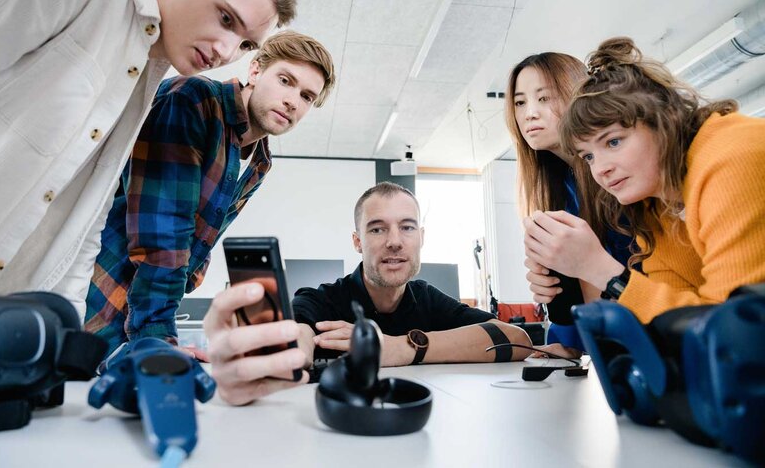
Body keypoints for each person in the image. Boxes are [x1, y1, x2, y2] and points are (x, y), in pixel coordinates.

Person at [0, 0, 296, 318]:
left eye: (244, 45)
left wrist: (66, 331)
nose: (225, 50)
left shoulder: (145, 83)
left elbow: (84, 226)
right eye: (225, 19)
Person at [85, 31, 335, 356]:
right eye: (285, 80)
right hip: (97, 294)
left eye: (306, 97)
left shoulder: (260, 161)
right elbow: (163, 236)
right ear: (256, 70)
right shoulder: (193, 99)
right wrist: (157, 341)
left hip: (146, 308)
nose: (293, 101)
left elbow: (200, 237)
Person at [523, 36, 765, 324]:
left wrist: (599, 268)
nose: (600, 169)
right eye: (588, 157)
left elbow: (735, 330)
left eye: (613, 142)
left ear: (665, 119)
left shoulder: (732, 156)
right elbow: (677, 316)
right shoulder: (656, 205)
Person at [291, 182, 532, 367]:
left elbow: (517, 339)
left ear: (421, 237)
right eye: (377, 229)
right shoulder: (323, 301)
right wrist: (296, 352)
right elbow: (296, 333)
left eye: (407, 227)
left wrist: (401, 348)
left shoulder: (427, 299)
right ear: (357, 242)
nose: (394, 242)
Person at [505, 52, 634, 355]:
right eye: (520, 102)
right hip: (599, 349)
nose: (529, 114)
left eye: (544, 98)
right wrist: (562, 341)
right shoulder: (556, 188)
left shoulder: (617, 178)